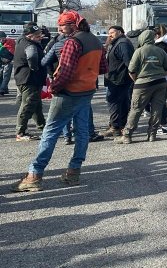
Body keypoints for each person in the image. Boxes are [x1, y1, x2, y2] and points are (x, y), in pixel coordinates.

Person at [14, 10, 107, 192]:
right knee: (82, 132)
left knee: (50, 132)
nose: (59, 28)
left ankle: (35, 175)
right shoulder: (95, 40)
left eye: (62, 25)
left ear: (72, 25)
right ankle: (73, 172)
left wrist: (54, 87)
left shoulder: (73, 42)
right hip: (86, 90)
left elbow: (65, 71)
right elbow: (103, 68)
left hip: (68, 92)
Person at [116, 29, 167, 144]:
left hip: (143, 84)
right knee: (157, 109)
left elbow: (131, 69)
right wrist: (160, 74)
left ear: (142, 38)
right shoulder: (160, 51)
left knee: (135, 109)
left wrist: (137, 80)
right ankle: (152, 135)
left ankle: (127, 135)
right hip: (160, 83)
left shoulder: (139, 51)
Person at [13, 22, 47, 141]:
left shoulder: (21, 41)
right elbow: (32, 56)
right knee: (28, 105)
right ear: (29, 35)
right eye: (37, 36)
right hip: (30, 79)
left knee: (36, 105)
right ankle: (20, 132)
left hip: (25, 78)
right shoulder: (30, 45)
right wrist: (35, 67)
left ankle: (43, 127)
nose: (39, 37)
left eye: (40, 35)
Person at [102, 25, 134, 138]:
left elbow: (128, 62)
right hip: (115, 78)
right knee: (122, 102)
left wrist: (133, 76)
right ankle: (118, 125)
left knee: (114, 102)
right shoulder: (116, 43)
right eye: (109, 32)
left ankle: (115, 127)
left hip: (119, 79)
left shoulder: (123, 43)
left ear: (120, 32)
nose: (110, 34)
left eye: (112, 32)